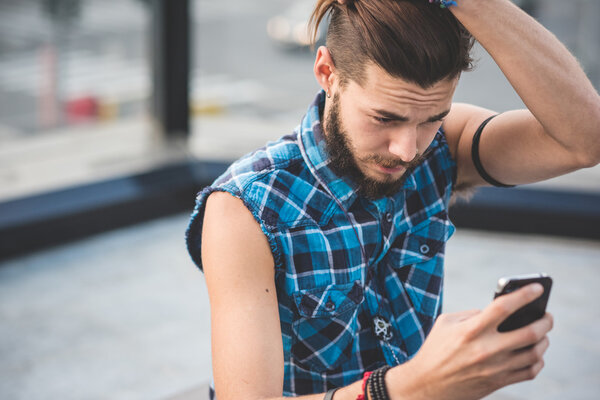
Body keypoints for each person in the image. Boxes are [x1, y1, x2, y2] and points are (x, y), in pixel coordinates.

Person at [186, 0, 600, 399]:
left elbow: (585, 140)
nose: (407, 150)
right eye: (385, 118)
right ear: (327, 72)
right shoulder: (245, 208)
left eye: (432, 119)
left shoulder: (441, 147)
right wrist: (413, 389)